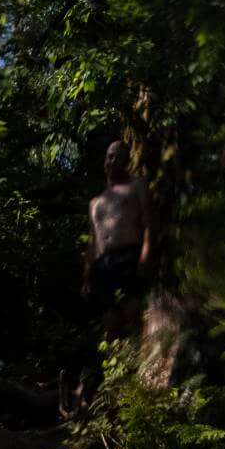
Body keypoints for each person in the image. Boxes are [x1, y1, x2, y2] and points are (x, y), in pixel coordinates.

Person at [84, 139, 160, 328]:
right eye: (109, 156)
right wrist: (86, 277)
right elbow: (92, 242)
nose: (112, 161)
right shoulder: (95, 202)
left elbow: (148, 222)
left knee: (132, 310)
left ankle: (136, 354)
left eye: (118, 157)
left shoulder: (137, 186)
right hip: (102, 265)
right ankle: (117, 356)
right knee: (109, 320)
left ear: (126, 161)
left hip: (128, 256)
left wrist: (146, 253)